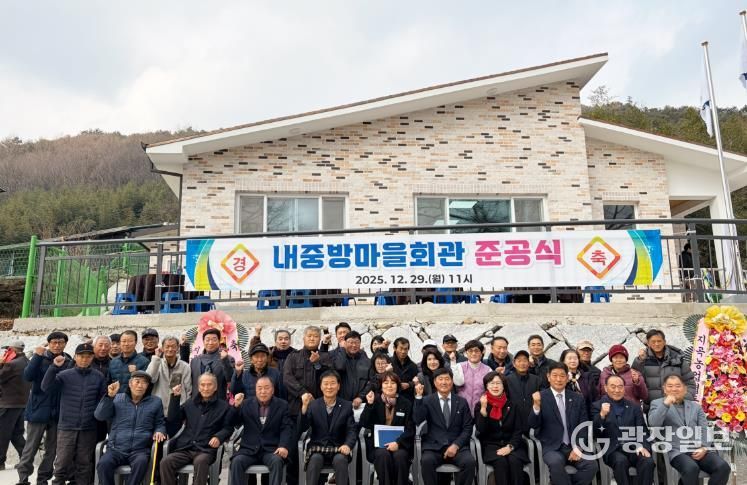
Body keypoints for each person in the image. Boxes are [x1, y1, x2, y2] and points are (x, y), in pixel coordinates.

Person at [42, 342, 107, 485]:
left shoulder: (99, 376)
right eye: (81, 356)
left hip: (88, 428)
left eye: (88, 356)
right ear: (75, 357)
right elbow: (46, 387)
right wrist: (53, 367)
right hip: (67, 427)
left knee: (84, 464)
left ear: (92, 357)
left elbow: (102, 400)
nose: (84, 359)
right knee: (62, 463)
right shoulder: (64, 375)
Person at [648, 375, 730, 485]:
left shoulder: (695, 406)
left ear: (685, 389)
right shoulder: (657, 404)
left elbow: (704, 429)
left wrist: (704, 447)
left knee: (723, 467)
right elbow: (653, 424)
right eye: (670, 386)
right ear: (664, 389)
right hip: (676, 451)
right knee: (691, 468)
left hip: (699, 449)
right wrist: (666, 404)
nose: (674, 389)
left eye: (678, 386)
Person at [16, 331, 73, 485]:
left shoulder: (68, 360)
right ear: (49, 344)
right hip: (38, 410)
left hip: (58, 412)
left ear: (65, 344)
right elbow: (27, 376)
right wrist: (37, 356)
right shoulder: (39, 358)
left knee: (52, 450)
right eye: (54, 342)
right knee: (30, 448)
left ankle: (43, 479)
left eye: (60, 342)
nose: (57, 345)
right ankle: (23, 479)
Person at [528, 362, 598, 485]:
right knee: (556, 463)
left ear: (567, 378)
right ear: (548, 377)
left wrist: (578, 447)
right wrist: (536, 406)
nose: (558, 379)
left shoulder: (577, 398)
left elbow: (583, 425)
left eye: (562, 376)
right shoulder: (541, 397)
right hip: (552, 447)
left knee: (591, 465)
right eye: (555, 375)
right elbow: (533, 424)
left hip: (573, 446)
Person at [160, 374, 235, 485]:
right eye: (202, 385)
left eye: (209, 385)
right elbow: (173, 419)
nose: (206, 388)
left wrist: (218, 437)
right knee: (166, 462)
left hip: (206, 449)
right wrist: (175, 398)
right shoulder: (190, 403)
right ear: (198, 387)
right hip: (186, 448)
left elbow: (228, 428)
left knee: (200, 462)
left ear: (215, 387)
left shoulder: (224, 406)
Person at [94, 371, 167, 485]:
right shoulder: (117, 399)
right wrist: (109, 397)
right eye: (137, 381)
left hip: (140, 450)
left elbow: (160, 422)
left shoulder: (155, 402)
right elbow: (100, 416)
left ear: (148, 386)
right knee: (103, 464)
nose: (140, 385)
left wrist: (159, 431)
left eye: (144, 383)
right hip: (116, 448)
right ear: (130, 383)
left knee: (141, 463)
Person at [282, 326, 332, 484]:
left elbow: (330, 379)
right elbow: (287, 378)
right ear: (303, 338)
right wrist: (302, 393)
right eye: (309, 336)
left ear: (319, 339)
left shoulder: (325, 357)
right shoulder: (293, 357)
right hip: (295, 410)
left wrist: (317, 365)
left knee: (320, 449)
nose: (312, 338)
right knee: (293, 450)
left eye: (315, 336)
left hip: (320, 413)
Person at [413, 368, 475, 485]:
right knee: (426, 461)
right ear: (435, 382)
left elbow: (467, 427)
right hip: (434, 447)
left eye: (447, 379)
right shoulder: (427, 400)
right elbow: (418, 419)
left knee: (469, 462)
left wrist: (456, 445)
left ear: (452, 381)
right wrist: (419, 397)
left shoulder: (461, 402)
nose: (444, 382)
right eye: (440, 379)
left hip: (457, 447)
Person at [591, 374, 654, 485]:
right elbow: (595, 433)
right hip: (612, 450)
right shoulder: (597, 406)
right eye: (613, 386)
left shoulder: (634, 407)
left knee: (647, 461)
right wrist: (602, 415)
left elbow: (642, 430)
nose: (617, 390)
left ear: (624, 388)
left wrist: (643, 446)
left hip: (633, 447)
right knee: (620, 461)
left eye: (620, 386)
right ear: (606, 388)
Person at [229, 376, 292, 485]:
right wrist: (236, 407)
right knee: (237, 462)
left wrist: (283, 445)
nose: (263, 391)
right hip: (249, 450)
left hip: (271, 450)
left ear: (272, 390)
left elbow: (286, 428)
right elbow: (233, 422)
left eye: (267, 388)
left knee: (277, 461)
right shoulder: (246, 404)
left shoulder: (282, 405)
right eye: (259, 388)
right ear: (255, 390)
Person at [299, 370, 357, 485]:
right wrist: (304, 407)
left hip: (339, 448)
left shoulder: (346, 406)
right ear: (321, 387)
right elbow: (302, 427)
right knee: (315, 460)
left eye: (332, 383)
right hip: (317, 448)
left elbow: (351, 430)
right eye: (325, 384)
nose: (329, 387)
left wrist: (348, 445)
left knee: (340, 460)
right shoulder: (313, 405)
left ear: (338, 386)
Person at [360, 371, 414, 485]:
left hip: (400, 445)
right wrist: (369, 404)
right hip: (378, 447)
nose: (389, 386)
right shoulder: (375, 401)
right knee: (382, 455)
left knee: (400, 456)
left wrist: (398, 443)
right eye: (386, 383)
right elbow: (364, 423)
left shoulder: (406, 403)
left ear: (397, 386)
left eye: (393, 383)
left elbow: (410, 428)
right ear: (381, 385)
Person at [475, 372, 529, 485]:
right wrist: (483, 410)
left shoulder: (513, 405)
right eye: (492, 383)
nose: (495, 386)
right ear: (486, 386)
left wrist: (510, 447)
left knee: (515, 461)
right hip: (491, 446)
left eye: (498, 383)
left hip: (512, 445)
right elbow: (481, 430)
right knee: (501, 462)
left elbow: (518, 430)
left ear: (503, 386)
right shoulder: (480, 405)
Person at [632, 329, 695, 408]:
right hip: (653, 407)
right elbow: (634, 380)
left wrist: (682, 399)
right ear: (648, 343)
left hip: (677, 407)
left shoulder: (677, 358)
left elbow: (690, 383)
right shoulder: (643, 359)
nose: (657, 344)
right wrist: (640, 360)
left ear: (664, 342)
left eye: (659, 341)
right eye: (653, 342)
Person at [0, 340, 30, 471]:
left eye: (8, 350)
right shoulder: (27, 362)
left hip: (8, 404)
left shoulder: (11, 364)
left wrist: (1, 364)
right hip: (21, 404)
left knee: (2, 433)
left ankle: (0, 462)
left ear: (13, 350)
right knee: (16, 433)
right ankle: (26, 459)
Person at [146, 336, 192, 418]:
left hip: (178, 409)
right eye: (167, 346)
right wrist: (156, 358)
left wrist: (186, 410)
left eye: (173, 346)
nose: (170, 349)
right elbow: (150, 379)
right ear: (162, 348)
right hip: (158, 408)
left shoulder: (185, 366)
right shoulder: (156, 363)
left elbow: (188, 389)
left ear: (178, 348)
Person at [188, 328, 235, 401]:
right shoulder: (195, 361)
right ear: (203, 341)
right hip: (197, 402)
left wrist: (225, 361)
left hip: (218, 402)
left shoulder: (228, 359)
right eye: (207, 340)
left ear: (219, 341)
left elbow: (230, 379)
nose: (210, 343)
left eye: (214, 339)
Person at [452, 339, 492, 416]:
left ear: (482, 353)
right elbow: (458, 383)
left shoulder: (488, 370)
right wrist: (453, 363)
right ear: (466, 353)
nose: (473, 353)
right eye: (470, 351)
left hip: (480, 410)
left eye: (476, 351)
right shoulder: (459, 366)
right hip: (461, 409)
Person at [505, 350, 541, 435]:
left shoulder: (536, 380)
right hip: (514, 424)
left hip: (533, 423)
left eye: (525, 360)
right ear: (514, 364)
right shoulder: (507, 380)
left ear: (528, 363)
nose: (522, 363)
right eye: (519, 361)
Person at [334, 331, 370, 409]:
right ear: (345, 343)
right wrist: (342, 349)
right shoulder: (339, 356)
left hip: (361, 403)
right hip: (341, 403)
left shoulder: (366, 360)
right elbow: (339, 367)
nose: (354, 345)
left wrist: (361, 397)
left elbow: (372, 381)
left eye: (356, 342)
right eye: (350, 342)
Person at [560, 349, 597, 414]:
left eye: (575, 358)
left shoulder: (587, 376)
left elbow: (594, 397)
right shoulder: (559, 378)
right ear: (563, 361)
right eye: (569, 358)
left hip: (586, 413)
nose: (573, 361)